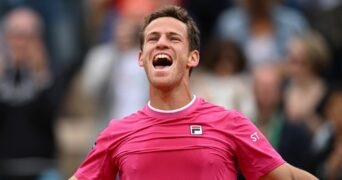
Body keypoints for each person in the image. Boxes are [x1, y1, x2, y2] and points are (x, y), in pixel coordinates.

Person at [70, 5, 317, 180]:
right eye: (153, 38)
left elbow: (288, 176)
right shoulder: (116, 133)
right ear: (141, 58)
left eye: (173, 38)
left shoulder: (231, 123)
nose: (162, 42)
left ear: (193, 57)